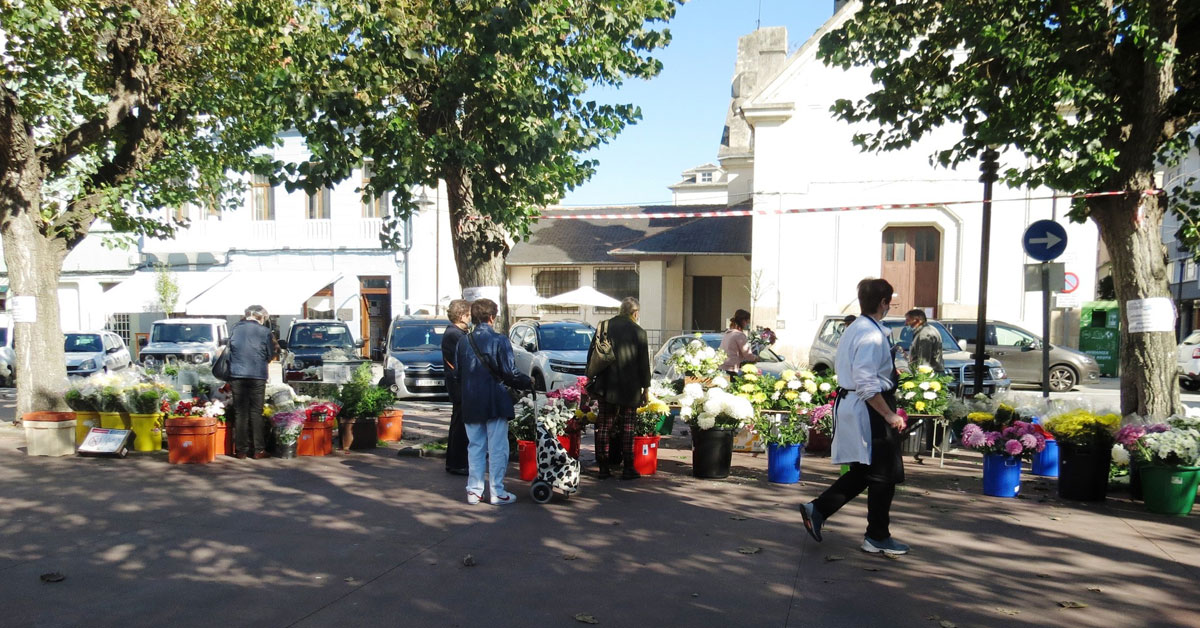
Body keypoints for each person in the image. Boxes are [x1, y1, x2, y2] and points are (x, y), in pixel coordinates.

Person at [799, 278, 911, 555]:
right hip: (869, 407)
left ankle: (819, 509)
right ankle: (877, 535)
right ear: (884, 303)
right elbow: (866, 382)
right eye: (888, 303)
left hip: (853, 402)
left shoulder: (856, 328)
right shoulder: (871, 335)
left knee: (865, 471)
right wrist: (889, 415)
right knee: (884, 474)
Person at [449, 298, 532, 505]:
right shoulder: (500, 340)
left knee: (475, 446)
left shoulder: (463, 341)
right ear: (492, 317)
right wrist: (528, 381)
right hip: (494, 400)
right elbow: (509, 372)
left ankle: (474, 491)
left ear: (474, 317)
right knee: (497, 448)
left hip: (470, 400)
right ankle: (497, 491)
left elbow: (457, 374)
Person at [587, 297, 650, 480]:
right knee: (628, 427)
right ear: (635, 313)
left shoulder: (604, 326)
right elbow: (643, 364)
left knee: (604, 426)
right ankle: (628, 467)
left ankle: (604, 467)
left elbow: (592, 354)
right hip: (630, 387)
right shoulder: (639, 332)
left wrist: (589, 378)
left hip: (606, 385)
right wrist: (646, 389)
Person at [229, 305, 276, 460]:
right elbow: (270, 353)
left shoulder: (235, 328)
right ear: (260, 317)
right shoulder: (265, 331)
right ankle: (258, 450)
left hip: (237, 374)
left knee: (240, 412)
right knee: (256, 412)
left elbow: (230, 349)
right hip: (257, 374)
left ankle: (241, 451)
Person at [440, 299, 471, 475]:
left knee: (459, 423)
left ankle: (455, 461)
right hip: (459, 386)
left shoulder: (456, 333)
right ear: (461, 315)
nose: (470, 318)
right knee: (459, 425)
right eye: (468, 315)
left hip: (458, 384)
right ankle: (457, 462)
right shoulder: (454, 334)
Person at [718, 308, 758, 375]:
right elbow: (747, 353)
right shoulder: (739, 335)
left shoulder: (728, 333)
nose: (748, 324)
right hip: (731, 368)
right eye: (747, 321)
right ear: (743, 321)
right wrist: (755, 358)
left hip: (721, 366)